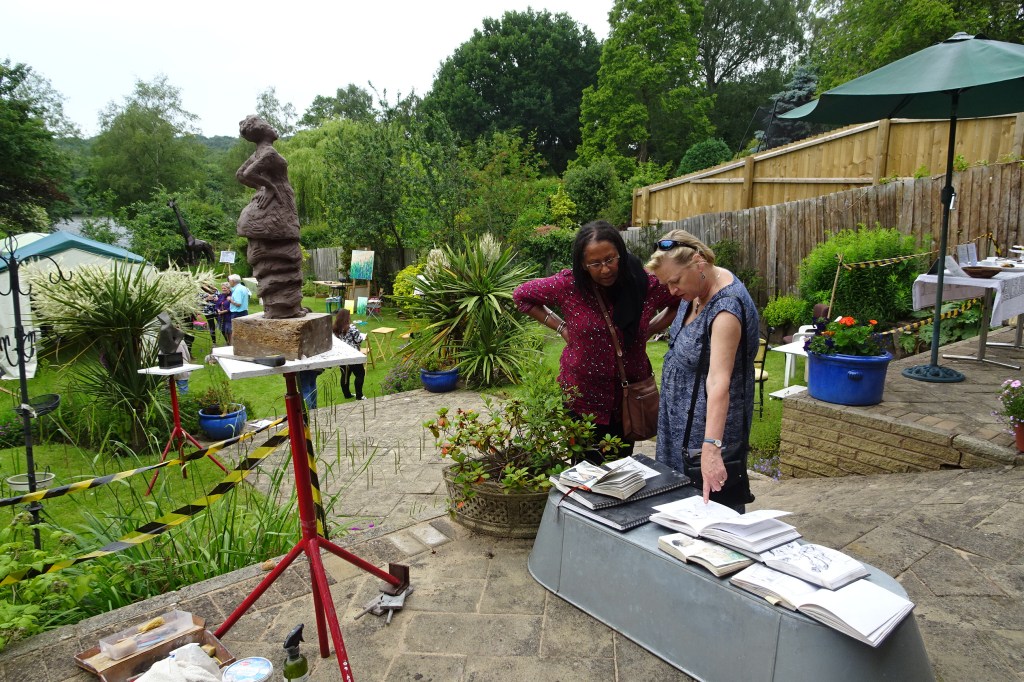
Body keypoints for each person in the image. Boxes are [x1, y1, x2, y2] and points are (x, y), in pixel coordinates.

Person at [513, 221, 679, 458]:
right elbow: (521, 296)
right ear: (583, 264)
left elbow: (679, 299)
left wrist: (649, 330)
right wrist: (561, 327)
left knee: (622, 467)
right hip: (582, 398)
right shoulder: (568, 286)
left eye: (611, 259)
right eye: (595, 263)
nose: (605, 269)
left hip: (628, 399)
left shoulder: (642, 284)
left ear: (621, 253)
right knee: (583, 469)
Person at [646, 229, 760, 511]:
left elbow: (719, 381)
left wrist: (711, 448)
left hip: (705, 427)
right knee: (675, 507)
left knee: (709, 513)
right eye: (667, 284)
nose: (672, 291)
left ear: (698, 262)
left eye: (675, 281)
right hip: (678, 420)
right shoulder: (697, 289)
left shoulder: (726, 310)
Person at [235, 114, 304, 319]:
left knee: (274, 253)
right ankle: (287, 309)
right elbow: (246, 174)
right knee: (289, 251)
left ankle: (279, 307)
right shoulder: (269, 152)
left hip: (268, 203)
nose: (273, 128)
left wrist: (261, 188)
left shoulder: (258, 153)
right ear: (262, 130)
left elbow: (241, 175)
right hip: (280, 202)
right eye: (268, 125)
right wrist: (270, 187)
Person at [333, 308, 366, 401]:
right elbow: (359, 339)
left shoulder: (334, 328)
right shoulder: (351, 327)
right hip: (353, 355)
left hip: (341, 355)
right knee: (360, 374)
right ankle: (359, 396)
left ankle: (347, 394)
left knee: (345, 375)